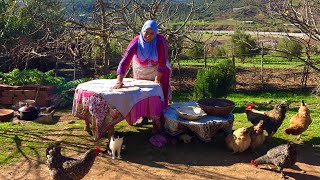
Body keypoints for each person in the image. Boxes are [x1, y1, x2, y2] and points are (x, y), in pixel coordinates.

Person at [114, 19, 171, 109]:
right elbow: (125, 61)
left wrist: (156, 80)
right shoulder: (136, 42)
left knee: (159, 90)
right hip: (141, 68)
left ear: (156, 33)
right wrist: (119, 81)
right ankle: (142, 114)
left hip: (158, 69)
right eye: (146, 32)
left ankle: (160, 114)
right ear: (142, 30)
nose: (148, 36)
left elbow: (162, 62)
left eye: (152, 33)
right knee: (141, 92)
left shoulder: (160, 41)